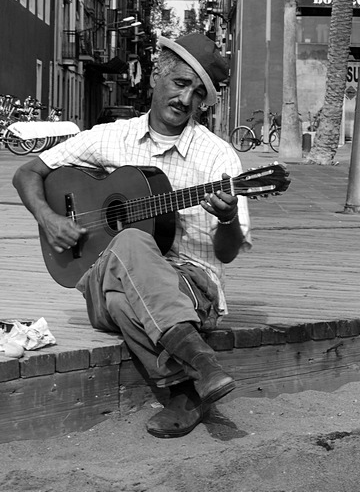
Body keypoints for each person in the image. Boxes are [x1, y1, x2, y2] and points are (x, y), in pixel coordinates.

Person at [12, 33, 252, 438]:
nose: (185, 99)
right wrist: (50, 219)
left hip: (191, 291)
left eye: (198, 94)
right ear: (156, 75)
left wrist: (228, 219)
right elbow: (27, 172)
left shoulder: (218, 156)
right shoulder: (110, 137)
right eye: (180, 83)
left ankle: (182, 390)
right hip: (103, 276)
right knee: (129, 246)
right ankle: (201, 364)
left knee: (121, 294)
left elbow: (226, 255)